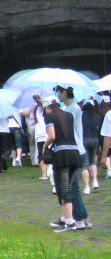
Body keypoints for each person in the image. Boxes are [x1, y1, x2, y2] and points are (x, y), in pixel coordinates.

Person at [53, 85, 90, 229]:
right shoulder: (68, 109)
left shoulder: (74, 109)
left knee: (71, 187)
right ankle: (80, 216)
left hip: (74, 150)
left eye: (59, 92)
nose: (58, 95)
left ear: (64, 92)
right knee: (70, 187)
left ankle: (79, 218)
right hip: (73, 149)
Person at [43, 99, 83, 231]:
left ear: (47, 107)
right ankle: (64, 218)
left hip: (62, 155)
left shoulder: (49, 116)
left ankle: (70, 222)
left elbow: (52, 136)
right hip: (74, 153)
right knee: (69, 187)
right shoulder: (68, 115)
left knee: (63, 188)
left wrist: (45, 146)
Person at [81, 98, 101, 193]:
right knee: (93, 161)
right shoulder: (97, 116)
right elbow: (97, 127)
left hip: (84, 139)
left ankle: (86, 186)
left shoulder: (81, 116)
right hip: (95, 139)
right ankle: (95, 181)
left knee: (84, 164)